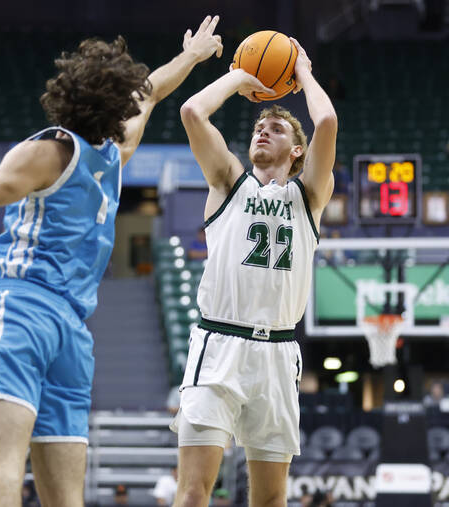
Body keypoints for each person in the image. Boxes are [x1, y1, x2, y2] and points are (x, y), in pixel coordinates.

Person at [0, 16, 223, 506]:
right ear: (112, 105)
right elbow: (152, 91)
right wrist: (192, 56)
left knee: (3, 468)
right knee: (63, 499)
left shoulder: (50, 152)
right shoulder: (114, 154)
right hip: (72, 334)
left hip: (22, 314)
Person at [173, 37, 336, 507]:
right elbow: (191, 112)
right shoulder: (228, 181)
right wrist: (241, 78)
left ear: (298, 152)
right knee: (193, 492)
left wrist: (302, 72)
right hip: (218, 343)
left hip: (278, 353)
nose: (263, 131)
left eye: (277, 129)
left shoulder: (308, 197)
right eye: (260, 126)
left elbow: (325, 120)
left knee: (269, 500)